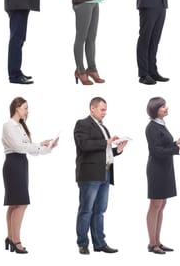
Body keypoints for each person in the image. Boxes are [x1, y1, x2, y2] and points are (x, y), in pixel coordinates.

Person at [2, 97, 56, 253]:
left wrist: (48, 147)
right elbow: (18, 147)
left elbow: (30, 150)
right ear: (17, 108)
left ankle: (10, 238)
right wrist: (38, 145)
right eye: (25, 108)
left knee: (15, 204)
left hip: (22, 164)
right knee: (21, 203)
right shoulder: (8, 126)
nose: (27, 111)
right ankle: (16, 240)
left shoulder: (21, 126)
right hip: (13, 164)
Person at [74, 97, 127, 254]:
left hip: (105, 172)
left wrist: (118, 150)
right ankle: (83, 243)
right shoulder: (82, 124)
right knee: (86, 210)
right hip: (90, 174)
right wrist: (106, 142)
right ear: (92, 108)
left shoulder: (103, 127)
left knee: (100, 210)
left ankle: (99, 243)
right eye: (102, 109)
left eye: (105, 109)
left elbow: (104, 152)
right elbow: (83, 145)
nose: (105, 112)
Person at [144, 97, 180, 254]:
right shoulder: (151, 127)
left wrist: (176, 143)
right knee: (155, 205)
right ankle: (152, 243)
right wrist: (178, 149)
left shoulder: (161, 125)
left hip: (166, 168)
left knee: (162, 205)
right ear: (155, 109)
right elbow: (156, 151)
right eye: (163, 106)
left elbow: (164, 146)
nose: (166, 108)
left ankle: (158, 241)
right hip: (157, 169)